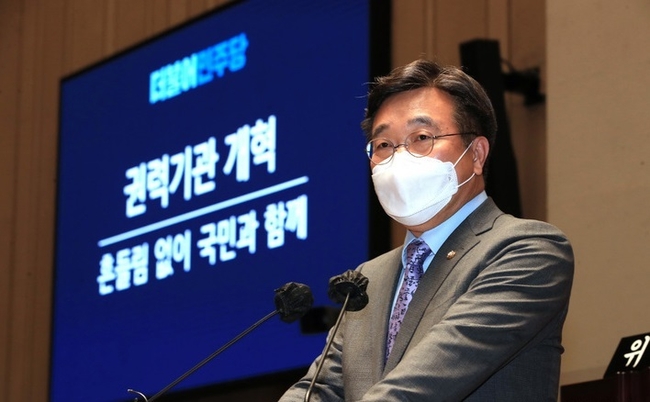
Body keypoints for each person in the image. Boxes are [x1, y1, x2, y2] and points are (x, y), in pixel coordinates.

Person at [279, 59, 574, 401]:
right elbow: (320, 389)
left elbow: (420, 387)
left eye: (421, 137)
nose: (399, 158)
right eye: (383, 145)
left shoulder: (527, 251)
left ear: (477, 154)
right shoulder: (368, 278)